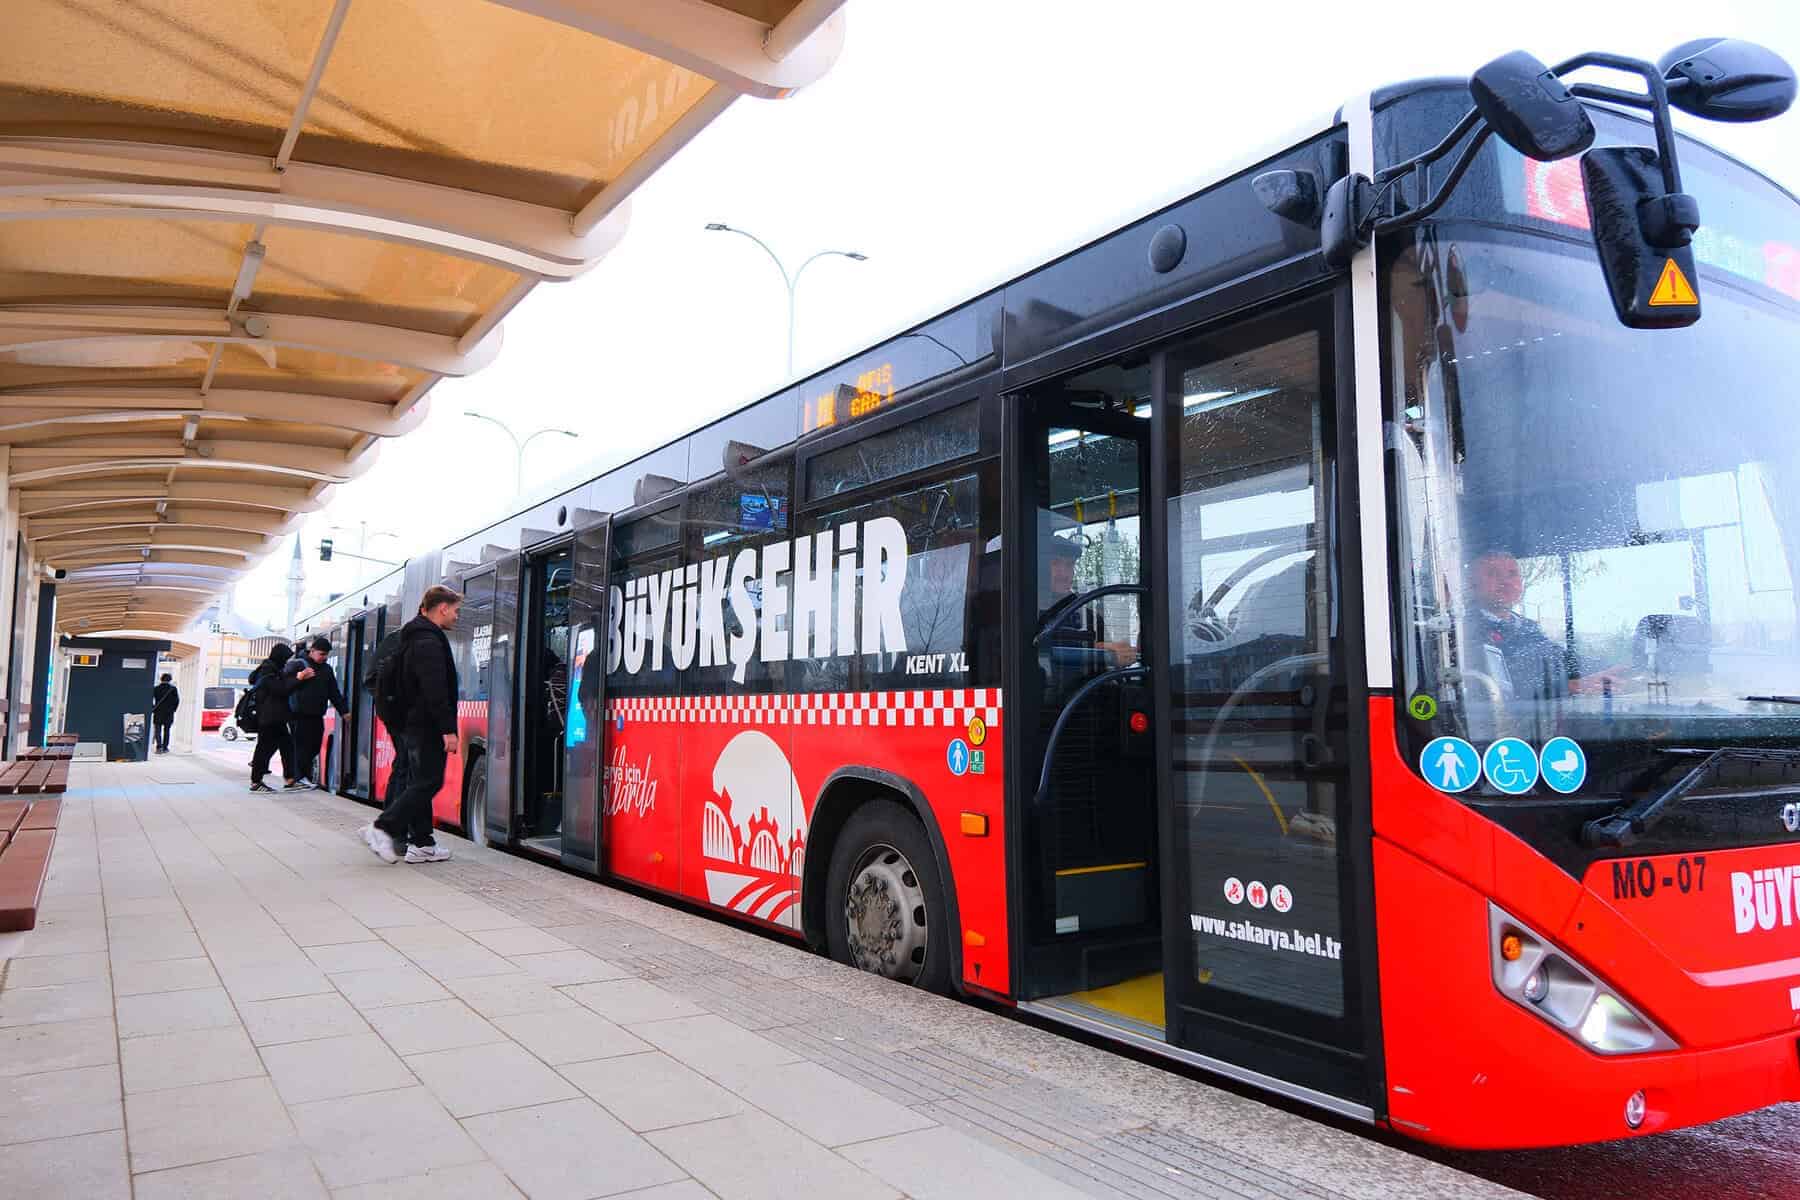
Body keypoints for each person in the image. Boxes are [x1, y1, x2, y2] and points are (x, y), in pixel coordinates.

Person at [363, 585, 461, 864]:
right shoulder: (428, 641)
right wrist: (448, 729)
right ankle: (382, 828)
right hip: (425, 725)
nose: (457, 616)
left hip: (412, 723)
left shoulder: (413, 636)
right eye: (455, 610)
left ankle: (421, 844)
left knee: (420, 781)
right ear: (442, 608)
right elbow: (435, 689)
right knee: (429, 781)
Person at [1464, 549, 1618, 704]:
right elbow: (1494, 685)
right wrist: (1570, 687)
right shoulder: (1464, 630)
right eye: (1493, 574)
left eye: (1512, 574)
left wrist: (1613, 668)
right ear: (1471, 584)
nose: (1506, 581)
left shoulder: (1527, 627)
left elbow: (1562, 660)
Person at [287, 636, 348, 791]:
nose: (324, 657)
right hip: (299, 715)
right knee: (301, 747)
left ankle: (303, 777)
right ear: (312, 651)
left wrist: (344, 711)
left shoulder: (326, 670)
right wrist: (300, 678)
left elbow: (333, 692)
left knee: (314, 747)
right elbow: (285, 684)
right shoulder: (298, 664)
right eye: (321, 654)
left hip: (317, 715)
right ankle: (298, 778)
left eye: (326, 654)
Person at [246, 644, 300, 793]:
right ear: (279, 657)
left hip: (276, 717)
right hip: (269, 717)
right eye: (285, 658)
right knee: (264, 749)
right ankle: (256, 782)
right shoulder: (268, 671)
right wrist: (298, 679)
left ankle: (290, 779)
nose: (286, 662)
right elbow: (280, 690)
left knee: (287, 746)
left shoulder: (272, 669)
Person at [151, 673, 179, 753]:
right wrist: (173, 709)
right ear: (170, 680)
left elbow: (150, 699)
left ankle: (159, 747)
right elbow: (177, 700)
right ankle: (165, 747)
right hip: (169, 713)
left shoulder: (156, 688)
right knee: (167, 730)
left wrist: (153, 708)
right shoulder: (173, 689)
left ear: (161, 679)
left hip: (158, 712)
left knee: (158, 730)